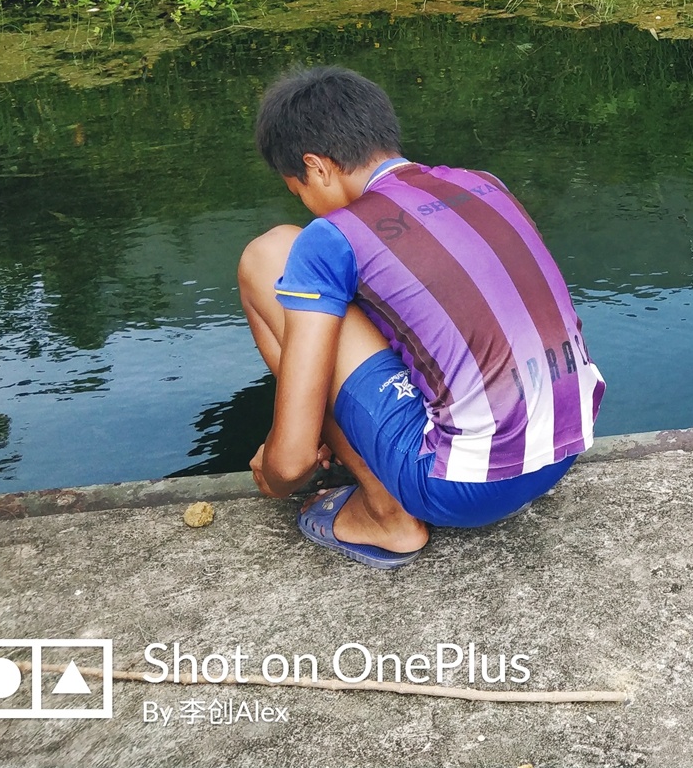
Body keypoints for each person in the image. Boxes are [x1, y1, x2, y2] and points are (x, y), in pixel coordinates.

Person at [237, 66, 605, 568]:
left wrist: (275, 472)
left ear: (316, 167)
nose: (307, 208)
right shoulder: (482, 184)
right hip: (564, 446)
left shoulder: (333, 237)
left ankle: (386, 514)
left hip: (462, 485)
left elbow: (294, 462)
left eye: (298, 190)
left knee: (270, 254)